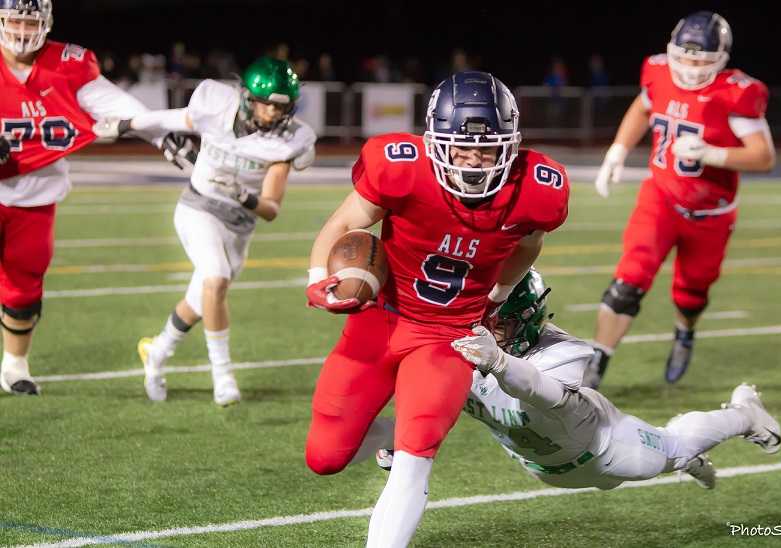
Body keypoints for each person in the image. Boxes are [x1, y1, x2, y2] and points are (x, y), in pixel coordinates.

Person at [304, 71, 570, 547]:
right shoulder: (400, 167)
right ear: (433, 142)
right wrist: (318, 278)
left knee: (415, 455)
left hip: (450, 336)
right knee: (324, 456)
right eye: (460, 148)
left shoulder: (535, 189)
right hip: (381, 320)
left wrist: (497, 298)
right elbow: (347, 221)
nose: (472, 161)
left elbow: (529, 244)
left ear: (509, 146)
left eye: (486, 149)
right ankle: (389, 433)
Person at [95, 58, 316, 406]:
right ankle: (222, 374)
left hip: (239, 225)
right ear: (246, 97)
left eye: (280, 106)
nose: (272, 113)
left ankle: (158, 351)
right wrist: (127, 124)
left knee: (201, 300)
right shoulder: (216, 104)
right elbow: (175, 117)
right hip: (197, 208)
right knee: (215, 278)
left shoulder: (290, 141)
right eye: (266, 103)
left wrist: (242, 194)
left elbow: (271, 208)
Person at [448, 270, 781, 491]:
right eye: (479, 318)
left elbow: (540, 391)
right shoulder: (455, 346)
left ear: (527, 319)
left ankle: (745, 414)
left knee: (674, 447)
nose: (485, 331)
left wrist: (497, 361)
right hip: (541, 466)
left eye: (498, 323)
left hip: (608, 445)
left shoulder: (561, 351)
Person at [0, 0, 187, 396]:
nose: (21, 30)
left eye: (29, 21)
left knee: (25, 283)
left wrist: (161, 134)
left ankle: (14, 364)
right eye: (15, 19)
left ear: (46, 23)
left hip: (35, 196)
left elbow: (118, 106)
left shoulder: (67, 64)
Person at [587, 11, 775, 388]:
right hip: (661, 197)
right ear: (671, 51)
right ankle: (595, 364)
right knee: (628, 282)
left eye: (701, 60)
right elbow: (642, 107)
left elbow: (764, 156)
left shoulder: (736, 91)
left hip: (711, 213)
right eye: (685, 57)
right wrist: (618, 150)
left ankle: (684, 331)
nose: (690, 67)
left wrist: (713, 154)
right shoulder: (656, 72)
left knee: (692, 293)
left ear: (721, 60)